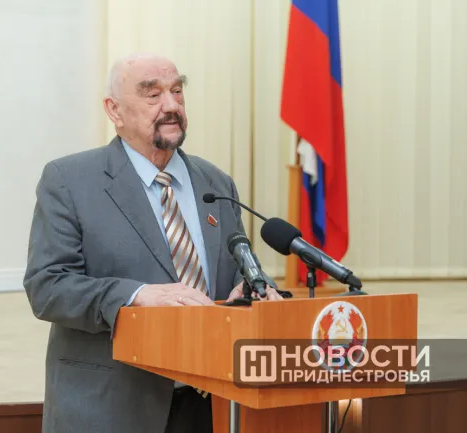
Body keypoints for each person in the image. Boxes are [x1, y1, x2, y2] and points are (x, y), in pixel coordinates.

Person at [23, 53, 284, 433]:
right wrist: (136, 295)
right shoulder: (69, 180)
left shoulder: (215, 182)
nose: (171, 105)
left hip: (212, 402)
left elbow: (239, 270)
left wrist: (255, 289)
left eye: (177, 91)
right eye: (153, 94)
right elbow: (47, 287)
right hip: (114, 406)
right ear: (114, 110)